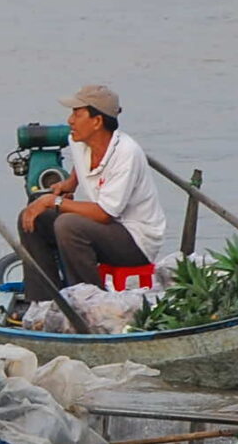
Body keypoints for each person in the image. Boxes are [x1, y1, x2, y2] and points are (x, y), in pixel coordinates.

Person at [18, 83, 167, 290]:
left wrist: (53, 201)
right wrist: (71, 182)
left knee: (69, 225)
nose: (70, 120)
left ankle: (89, 300)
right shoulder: (78, 140)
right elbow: (81, 162)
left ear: (97, 121)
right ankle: (45, 299)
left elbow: (105, 214)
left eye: (77, 114)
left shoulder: (126, 153)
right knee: (33, 216)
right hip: (106, 228)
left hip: (136, 240)